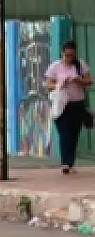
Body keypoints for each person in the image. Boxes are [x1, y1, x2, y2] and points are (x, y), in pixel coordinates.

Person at [44, 40, 92, 174]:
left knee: (74, 133)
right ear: (62, 53)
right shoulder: (55, 66)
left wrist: (78, 80)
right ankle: (66, 163)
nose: (69, 58)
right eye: (67, 55)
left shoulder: (80, 64)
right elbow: (48, 84)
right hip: (61, 105)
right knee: (64, 133)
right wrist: (59, 84)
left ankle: (70, 163)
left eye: (72, 55)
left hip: (77, 104)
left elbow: (89, 81)